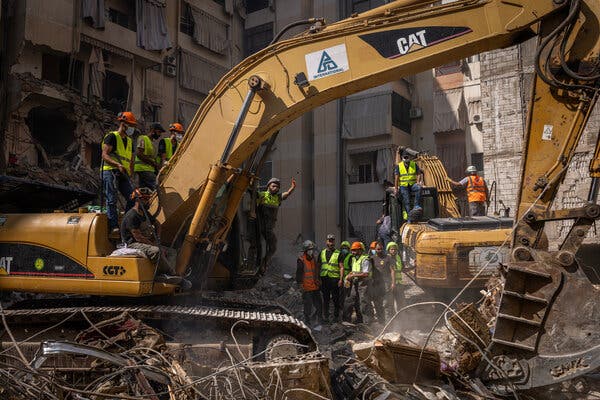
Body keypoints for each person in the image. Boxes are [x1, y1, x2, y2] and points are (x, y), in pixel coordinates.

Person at [121, 188, 179, 282]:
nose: (147, 202)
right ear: (137, 200)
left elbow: (157, 224)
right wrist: (154, 245)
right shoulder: (131, 216)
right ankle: (169, 273)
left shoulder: (145, 213)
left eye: (148, 199)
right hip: (133, 244)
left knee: (172, 252)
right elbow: (138, 237)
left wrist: (157, 239)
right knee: (157, 251)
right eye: (144, 199)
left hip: (146, 242)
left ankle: (165, 274)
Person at [101, 111, 137, 233]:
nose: (132, 128)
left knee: (133, 198)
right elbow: (104, 155)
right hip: (110, 171)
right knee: (112, 198)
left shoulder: (130, 141)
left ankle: (125, 224)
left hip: (123, 173)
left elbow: (131, 160)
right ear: (123, 123)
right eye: (130, 124)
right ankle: (113, 226)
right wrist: (117, 164)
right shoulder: (112, 136)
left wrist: (131, 174)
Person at [257, 177, 296, 268]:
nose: (276, 188)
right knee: (256, 246)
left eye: (278, 187)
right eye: (273, 186)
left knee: (273, 247)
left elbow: (287, 194)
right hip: (259, 226)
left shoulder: (278, 198)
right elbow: (253, 193)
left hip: (269, 228)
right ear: (268, 186)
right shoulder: (262, 195)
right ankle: (255, 263)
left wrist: (292, 188)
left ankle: (264, 263)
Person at [296, 240, 323, 327]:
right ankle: (307, 321)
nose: (311, 251)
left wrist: (318, 279)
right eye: (309, 249)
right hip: (307, 287)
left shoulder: (313, 259)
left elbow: (315, 271)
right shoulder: (301, 260)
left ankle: (319, 320)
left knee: (319, 303)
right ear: (305, 251)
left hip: (314, 286)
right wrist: (300, 285)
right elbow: (299, 273)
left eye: (312, 249)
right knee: (308, 305)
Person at [364, 241, 393, 323]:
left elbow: (392, 271)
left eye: (380, 249)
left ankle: (388, 322)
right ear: (375, 249)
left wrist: (393, 283)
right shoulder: (372, 258)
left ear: (383, 249)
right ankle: (381, 321)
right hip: (376, 284)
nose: (379, 250)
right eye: (377, 249)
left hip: (386, 283)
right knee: (377, 303)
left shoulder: (387, 257)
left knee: (386, 303)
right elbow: (368, 270)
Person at [343, 242, 371, 324]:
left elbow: (366, 273)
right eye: (352, 250)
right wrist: (349, 275)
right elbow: (354, 270)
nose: (352, 252)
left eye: (354, 250)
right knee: (349, 300)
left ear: (360, 250)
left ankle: (366, 322)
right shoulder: (354, 259)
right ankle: (346, 321)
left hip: (363, 284)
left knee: (363, 302)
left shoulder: (365, 259)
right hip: (355, 283)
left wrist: (353, 275)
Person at [318, 234, 343, 323]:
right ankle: (326, 317)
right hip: (324, 279)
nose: (331, 242)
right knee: (326, 299)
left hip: (334, 280)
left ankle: (336, 317)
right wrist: (318, 278)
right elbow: (318, 266)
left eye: (332, 241)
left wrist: (341, 279)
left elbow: (341, 267)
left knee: (336, 299)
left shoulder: (338, 253)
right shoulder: (322, 253)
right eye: (329, 240)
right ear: (326, 241)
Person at [394, 150, 424, 222]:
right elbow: (396, 178)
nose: (406, 158)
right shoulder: (399, 166)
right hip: (403, 186)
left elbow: (419, 173)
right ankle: (410, 217)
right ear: (402, 158)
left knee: (419, 188)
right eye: (405, 157)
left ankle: (416, 206)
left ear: (409, 157)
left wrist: (418, 182)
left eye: (407, 157)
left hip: (412, 184)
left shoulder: (414, 164)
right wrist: (396, 188)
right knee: (406, 201)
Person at [134, 122, 164, 190]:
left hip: (149, 169)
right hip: (143, 169)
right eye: (159, 132)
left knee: (144, 192)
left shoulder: (153, 143)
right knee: (158, 188)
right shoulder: (143, 138)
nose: (160, 135)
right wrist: (153, 163)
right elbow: (139, 154)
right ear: (153, 130)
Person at [387, 242, 405, 313]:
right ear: (388, 250)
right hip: (391, 284)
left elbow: (402, 269)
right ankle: (392, 319)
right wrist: (392, 283)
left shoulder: (398, 257)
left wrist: (414, 267)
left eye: (395, 249)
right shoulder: (387, 258)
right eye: (391, 249)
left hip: (399, 283)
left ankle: (401, 316)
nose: (393, 251)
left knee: (401, 302)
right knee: (390, 303)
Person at [337, 240, 352, 315]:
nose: (344, 249)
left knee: (346, 294)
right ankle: (341, 309)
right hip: (340, 278)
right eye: (343, 248)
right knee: (341, 294)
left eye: (346, 248)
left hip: (347, 279)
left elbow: (352, 268)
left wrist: (348, 277)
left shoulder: (350, 256)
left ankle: (346, 311)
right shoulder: (339, 255)